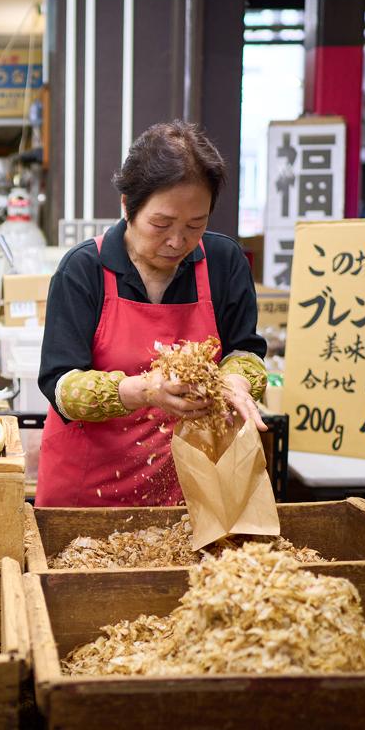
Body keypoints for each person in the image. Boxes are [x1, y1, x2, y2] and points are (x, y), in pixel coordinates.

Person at [36, 121, 267, 507]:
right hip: (87, 490)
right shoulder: (83, 269)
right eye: (161, 224)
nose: (177, 241)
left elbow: (246, 353)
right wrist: (146, 390)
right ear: (127, 205)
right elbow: (60, 386)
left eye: (196, 225)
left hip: (188, 488)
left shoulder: (223, 263)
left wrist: (235, 382)